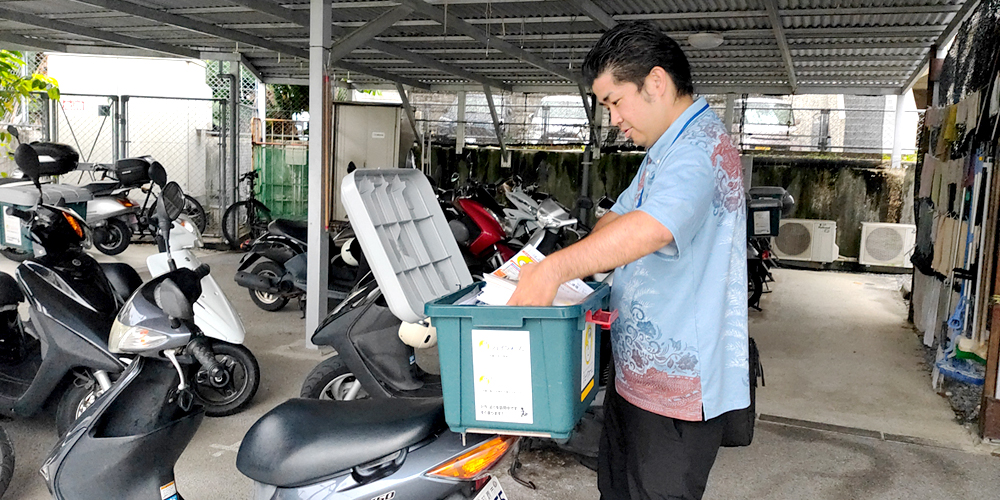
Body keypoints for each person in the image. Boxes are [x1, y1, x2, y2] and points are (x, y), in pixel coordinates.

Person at [507, 21, 749, 500]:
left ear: (655, 83)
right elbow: (615, 220)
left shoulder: (699, 148)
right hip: (635, 379)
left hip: (675, 394)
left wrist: (554, 271)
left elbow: (650, 227)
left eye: (615, 101)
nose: (613, 118)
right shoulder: (663, 152)